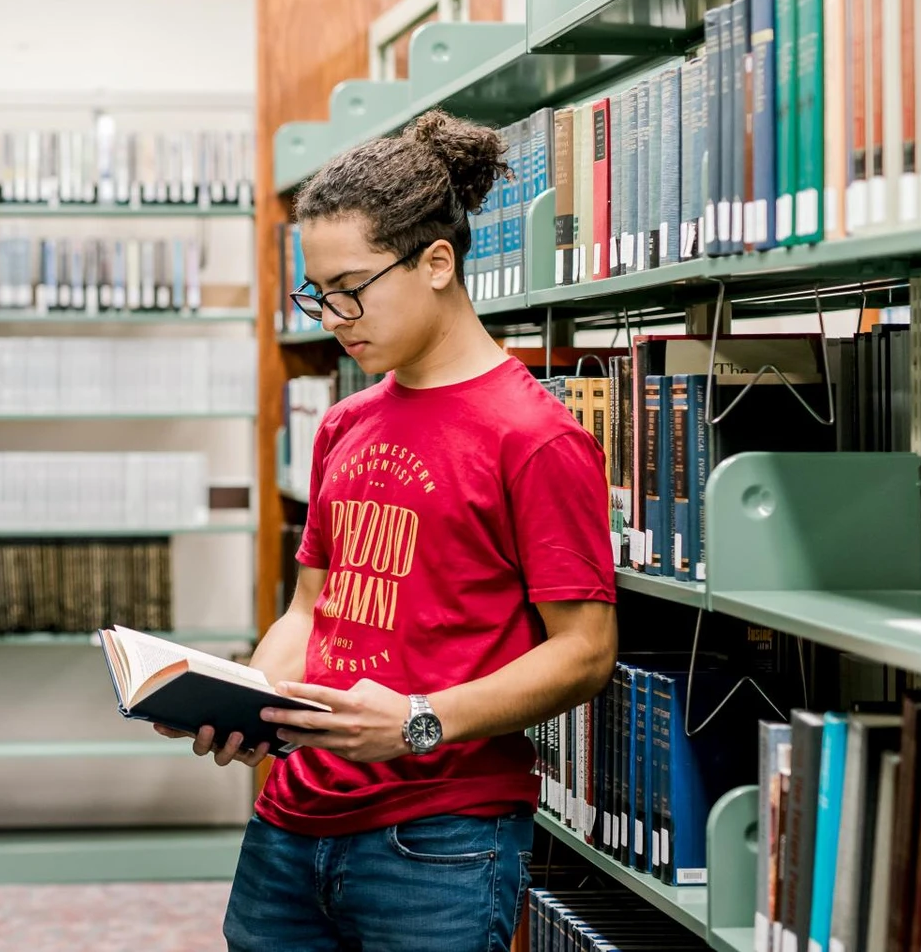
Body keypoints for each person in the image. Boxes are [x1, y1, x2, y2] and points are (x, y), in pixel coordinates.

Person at [161, 111, 617, 952]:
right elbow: (313, 609)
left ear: (437, 262)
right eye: (316, 291)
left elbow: (585, 652)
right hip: (291, 815)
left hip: (438, 838)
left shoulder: (536, 437)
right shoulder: (344, 424)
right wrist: (251, 700)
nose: (332, 314)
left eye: (351, 286)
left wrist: (418, 719)